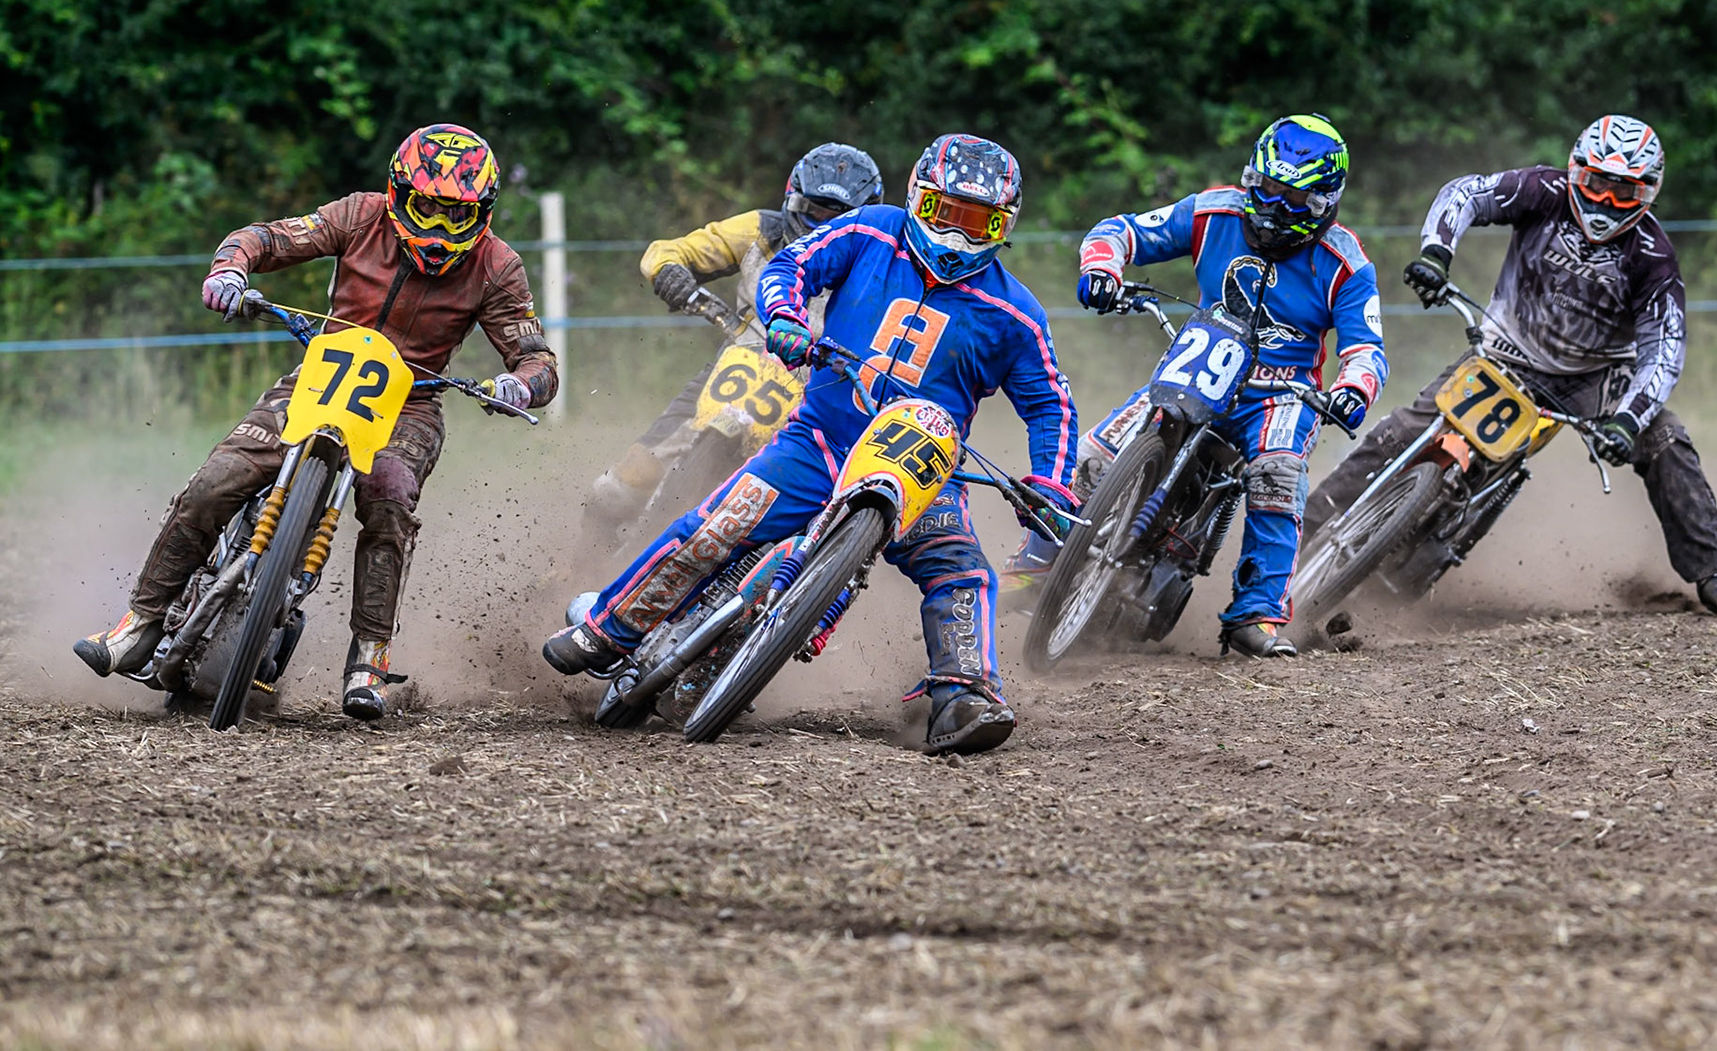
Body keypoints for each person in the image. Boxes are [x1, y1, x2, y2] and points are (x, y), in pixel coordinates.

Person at [543, 133, 1078, 754]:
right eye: (945, 213)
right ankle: (608, 629)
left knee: (962, 572)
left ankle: (965, 695)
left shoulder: (1016, 313)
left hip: (925, 476)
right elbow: (789, 266)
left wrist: (1050, 486)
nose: (958, 234)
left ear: (1003, 227)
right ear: (918, 199)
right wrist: (785, 319)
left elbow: (1051, 404)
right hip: (818, 441)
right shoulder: (871, 230)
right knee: (717, 524)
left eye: (978, 222)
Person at [73, 124, 559, 718]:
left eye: (455, 214)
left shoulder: (497, 266)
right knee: (215, 481)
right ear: (399, 194)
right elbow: (266, 237)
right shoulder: (359, 215)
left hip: (411, 402)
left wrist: (518, 384)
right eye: (426, 208)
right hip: (318, 376)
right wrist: (230, 270)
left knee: (389, 496)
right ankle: (140, 623)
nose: (437, 227)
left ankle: (369, 656)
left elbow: (538, 359)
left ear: (482, 212)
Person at [1304, 114, 1717, 615]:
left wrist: (1629, 420)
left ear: (1648, 192)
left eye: (1623, 192)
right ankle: (1295, 536)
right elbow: (1467, 194)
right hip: (1504, 351)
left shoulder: (1653, 256)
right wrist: (1436, 254)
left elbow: (1665, 348)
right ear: (1576, 171)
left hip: (1594, 377)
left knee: (1665, 438)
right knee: (1401, 433)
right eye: (1597, 183)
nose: (1606, 201)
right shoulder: (1543, 190)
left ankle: (1715, 571)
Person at [1011, 114, 1388, 658]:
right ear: (1252, 177)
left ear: (1324, 201)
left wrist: (1354, 388)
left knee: (1278, 474)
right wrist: (1102, 270)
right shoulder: (1213, 212)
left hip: (1280, 395)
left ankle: (1254, 615)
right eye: (1268, 189)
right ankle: (1037, 559)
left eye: (1293, 199)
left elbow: (1366, 348)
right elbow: (1121, 232)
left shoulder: (1346, 263)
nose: (1275, 207)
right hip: (1199, 365)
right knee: (1093, 456)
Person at [583, 144, 885, 532]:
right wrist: (671, 271)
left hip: (821, 388)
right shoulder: (761, 229)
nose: (822, 225)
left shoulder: (880, 266)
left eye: (838, 218)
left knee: (838, 500)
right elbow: (668, 251)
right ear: (792, 201)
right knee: (629, 478)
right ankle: (583, 555)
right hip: (739, 360)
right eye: (813, 211)